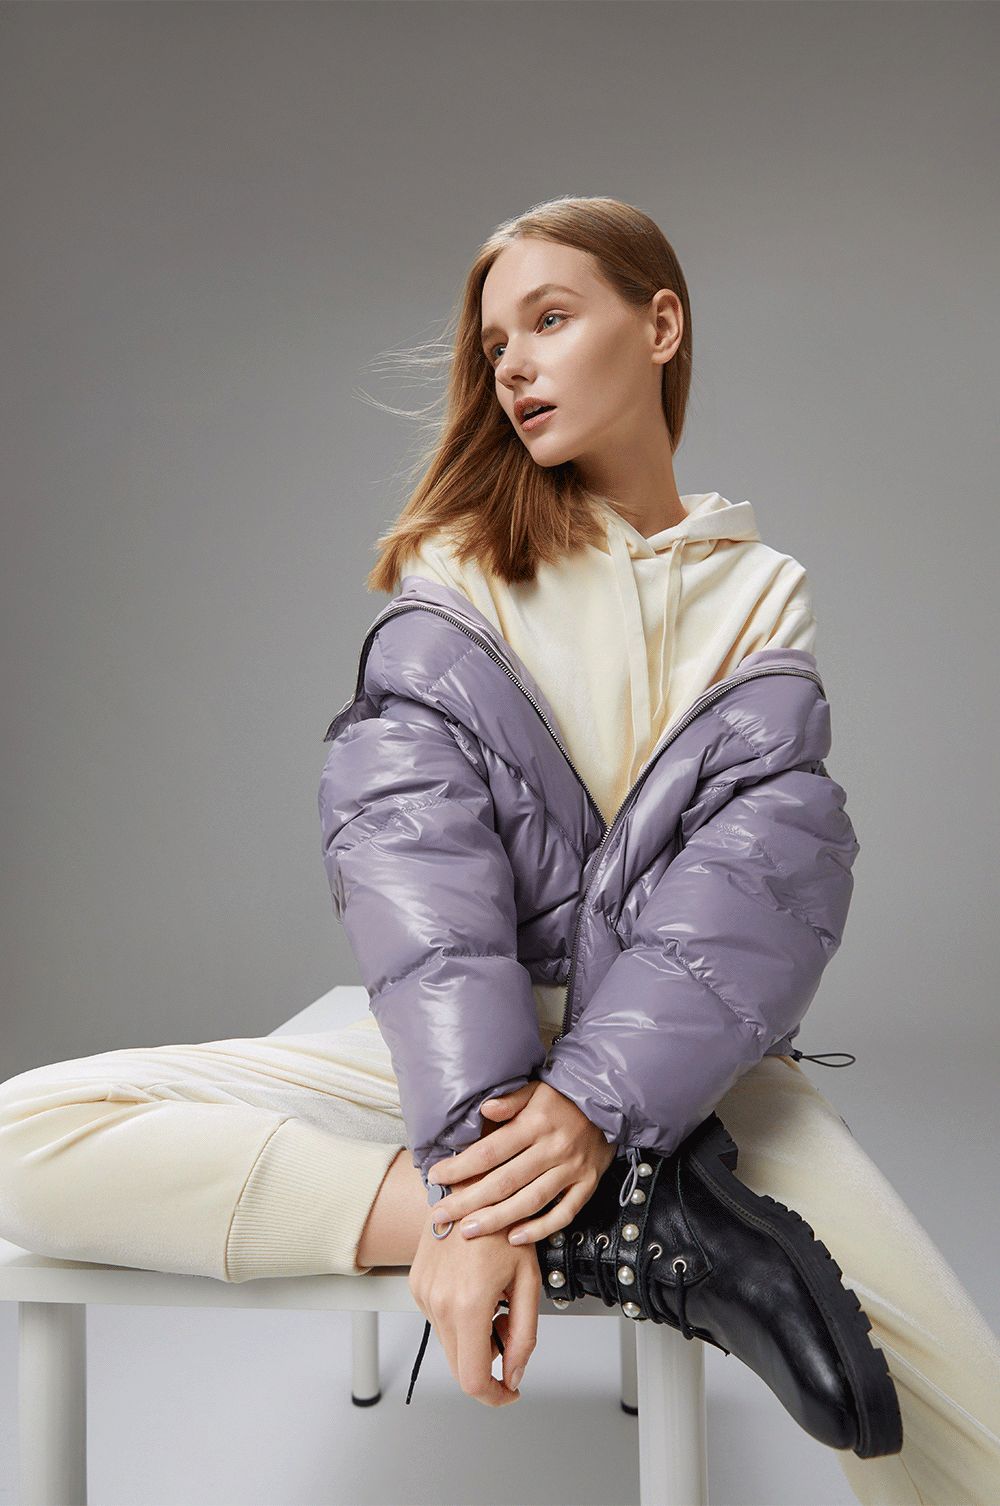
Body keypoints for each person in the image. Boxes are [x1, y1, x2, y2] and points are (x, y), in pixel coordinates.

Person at [0, 196, 998, 1502]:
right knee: (25, 1134)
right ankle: (620, 1231)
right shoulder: (460, 573)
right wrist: (474, 1194)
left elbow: (763, 874)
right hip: (456, 1056)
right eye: (495, 345)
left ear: (660, 324)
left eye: (550, 318)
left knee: (958, 1430)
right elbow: (415, 862)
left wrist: (597, 1100)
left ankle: (618, 1198)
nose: (515, 364)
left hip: (689, 1067)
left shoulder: (762, 593)